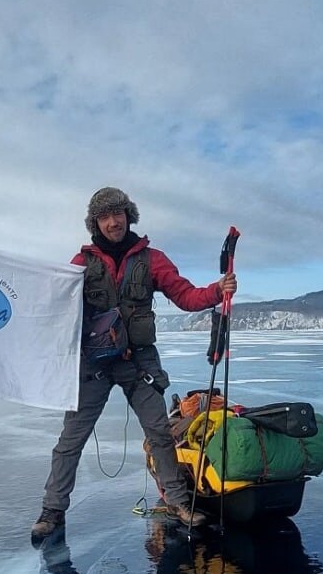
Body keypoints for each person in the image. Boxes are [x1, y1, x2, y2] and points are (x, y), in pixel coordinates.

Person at [31, 187, 237, 539]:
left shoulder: (152, 259)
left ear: (129, 216)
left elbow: (185, 295)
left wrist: (217, 290)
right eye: (105, 216)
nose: (113, 222)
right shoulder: (81, 264)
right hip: (94, 363)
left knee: (159, 432)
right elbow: (55, 305)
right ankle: (52, 510)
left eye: (119, 213)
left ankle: (177, 501)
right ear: (95, 222)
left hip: (139, 362)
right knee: (71, 439)